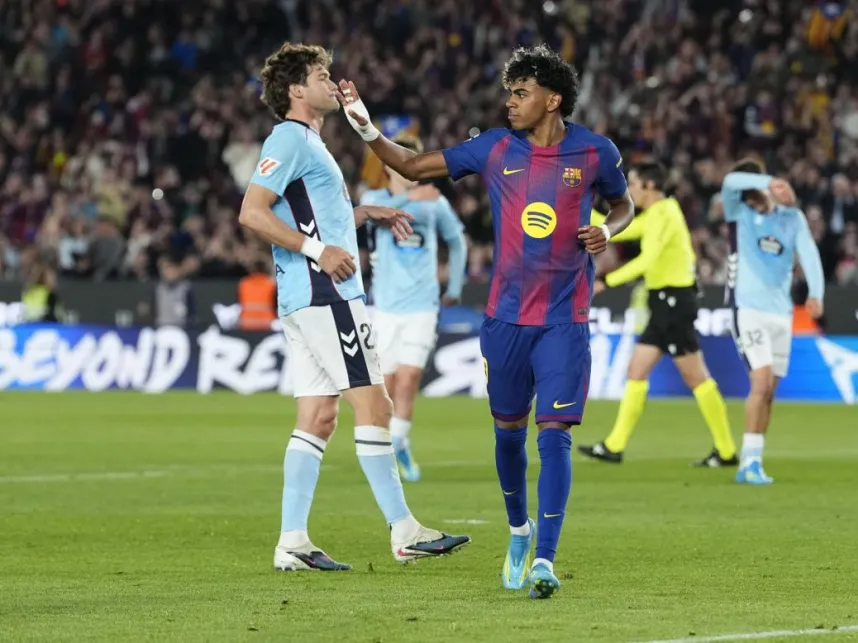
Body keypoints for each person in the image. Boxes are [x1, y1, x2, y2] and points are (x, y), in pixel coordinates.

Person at [335, 44, 635, 598]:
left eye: (520, 93)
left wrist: (609, 231)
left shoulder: (596, 153)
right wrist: (367, 129)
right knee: (507, 434)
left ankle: (545, 559)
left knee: (556, 438)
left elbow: (624, 204)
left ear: (553, 99)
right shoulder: (495, 148)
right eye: (508, 92)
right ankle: (518, 531)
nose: (509, 103)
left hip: (564, 320)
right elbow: (410, 164)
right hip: (505, 320)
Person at [237, 43, 470, 572]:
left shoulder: (310, 144)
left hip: (303, 297)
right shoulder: (290, 138)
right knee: (376, 404)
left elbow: (311, 212)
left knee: (318, 417)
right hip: (327, 294)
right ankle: (405, 531)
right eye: (321, 75)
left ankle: (292, 541)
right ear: (297, 90)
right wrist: (320, 249)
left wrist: (362, 213)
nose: (332, 82)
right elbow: (252, 212)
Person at [578, 161, 738, 468]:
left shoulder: (664, 214)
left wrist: (606, 281)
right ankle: (614, 446)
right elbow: (621, 231)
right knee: (636, 371)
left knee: (696, 377)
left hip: (674, 302)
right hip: (667, 301)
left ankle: (727, 450)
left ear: (650, 186)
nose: (630, 191)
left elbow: (648, 260)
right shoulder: (657, 215)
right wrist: (581, 204)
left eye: (634, 184)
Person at [360, 137, 468, 482]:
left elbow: (457, 240)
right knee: (387, 384)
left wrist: (452, 286)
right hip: (386, 307)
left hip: (422, 305)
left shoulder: (434, 205)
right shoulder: (373, 200)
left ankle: (399, 443)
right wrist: (409, 199)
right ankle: (393, 445)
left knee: (408, 380)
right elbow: (372, 217)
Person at [720, 159, 825, 485]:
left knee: (770, 392)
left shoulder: (792, 218)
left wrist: (816, 292)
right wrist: (772, 179)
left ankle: (755, 459)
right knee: (761, 382)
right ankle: (747, 464)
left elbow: (808, 253)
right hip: (747, 308)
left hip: (781, 313)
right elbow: (729, 180)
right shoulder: (739, 214)